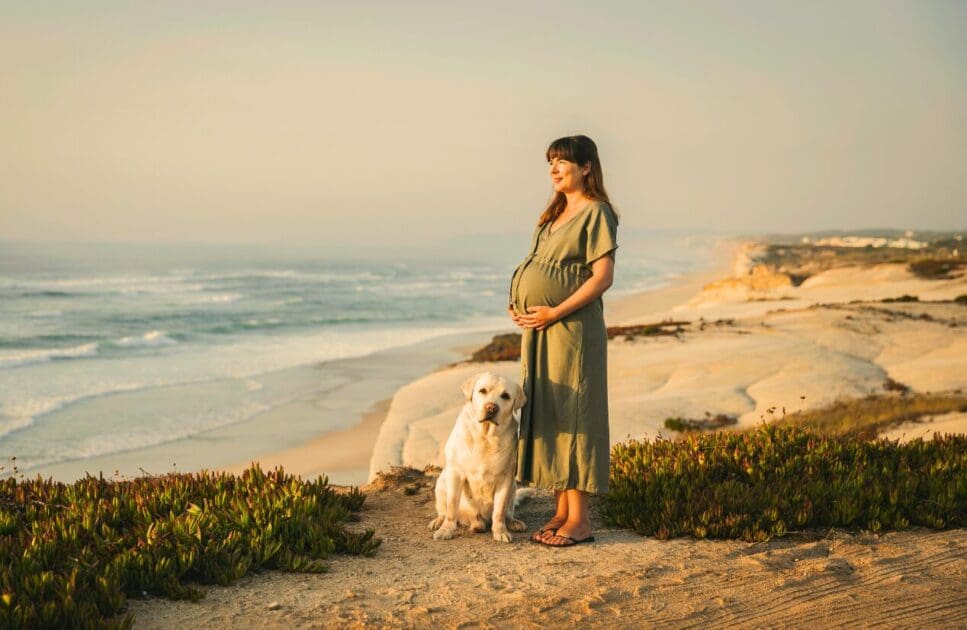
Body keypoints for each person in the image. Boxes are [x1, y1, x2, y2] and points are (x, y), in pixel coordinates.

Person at [507, 134, 619, 547]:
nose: (554, 169)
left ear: (587, 167)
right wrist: (520, 303)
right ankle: (561, 511)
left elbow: (602, 277)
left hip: (572, 331)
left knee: (575, 415)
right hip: (540, 332)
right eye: (550, 162)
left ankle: (581, 520)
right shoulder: (553, 213)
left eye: (563, 162)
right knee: (549, 411)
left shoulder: (597, 213)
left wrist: (554, 311)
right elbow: (538, 267)